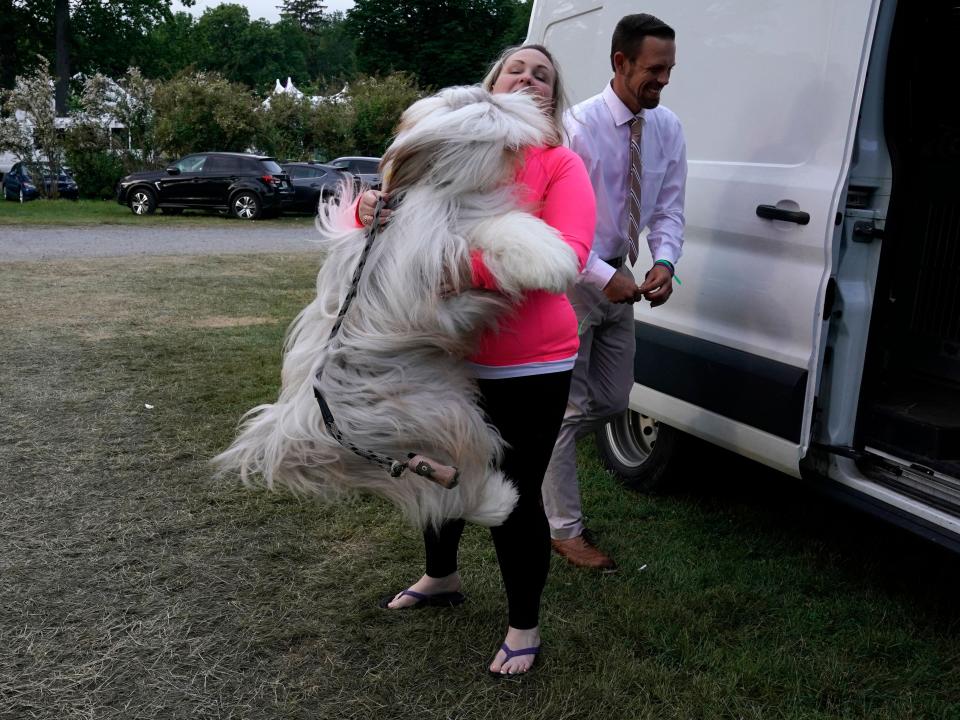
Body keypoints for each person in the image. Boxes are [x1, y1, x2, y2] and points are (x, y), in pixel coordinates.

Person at [357, 45, 596, 675]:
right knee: (435, 469)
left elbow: (566, 255)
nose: (528, 77)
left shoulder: (559, 163)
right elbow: (396, 214)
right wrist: (369, 212)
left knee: (512, 492)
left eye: (543, 74)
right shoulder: (445, 148)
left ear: (551, 99)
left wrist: (455, 269)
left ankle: (523, 624)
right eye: (516, 68)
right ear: (489, 83)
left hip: (529, 363)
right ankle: (442, 576)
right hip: (441, 350)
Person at [542, 13, 687, 571]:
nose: (664, 81)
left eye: (670, 70)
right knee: (565, 409)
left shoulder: (669, 128)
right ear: (620, 62)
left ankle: (529, 454)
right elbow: (555, 228)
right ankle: (564, 528)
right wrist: (607, 279)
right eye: (654, 69)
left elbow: (670, 207)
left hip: (623, 278)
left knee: (611, 400)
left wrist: (666, 262)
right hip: (573, 281)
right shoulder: (575, 130)